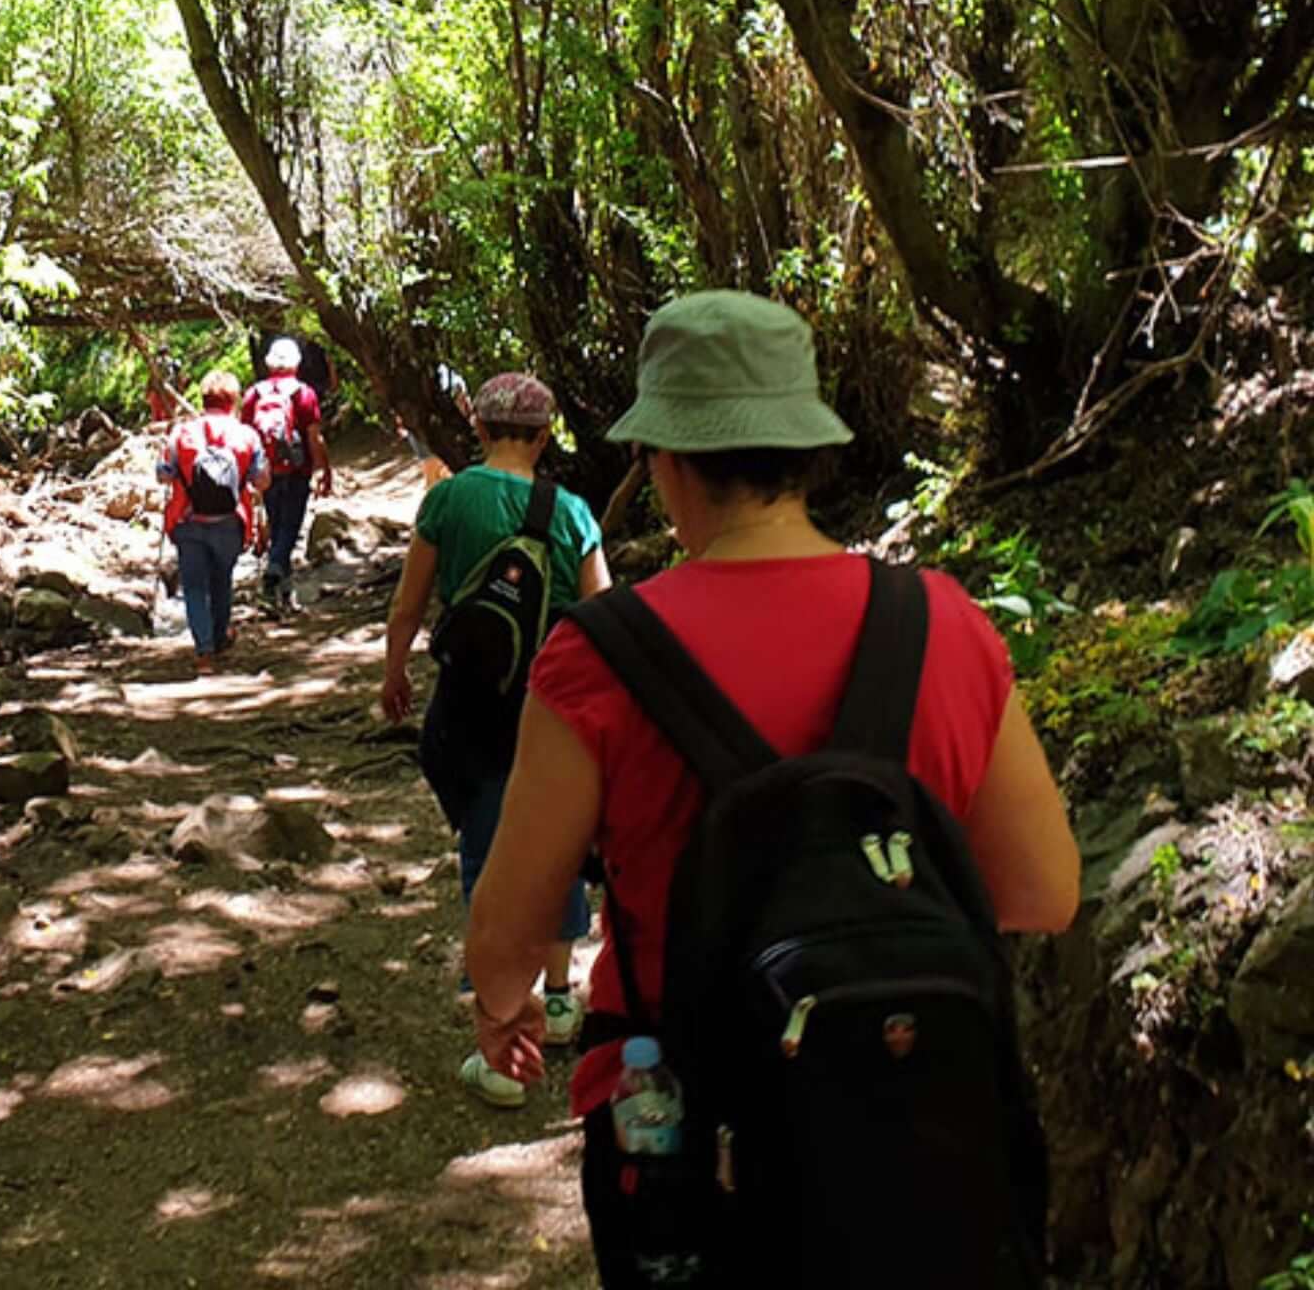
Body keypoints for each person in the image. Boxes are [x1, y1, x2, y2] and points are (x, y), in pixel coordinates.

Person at [463, 291, 1080, 1282]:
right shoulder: (943, 623)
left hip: (682, 1136)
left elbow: (508, 926)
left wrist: (505, 1005)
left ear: (662, 459)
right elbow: (1043, 891)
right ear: (806, 451)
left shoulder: (599, 656)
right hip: (909, 1105)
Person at [381, 370, 610, 1108]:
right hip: (556, 707)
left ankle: (506, 1042)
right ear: (545, 437)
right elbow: (605, 617)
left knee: (489, 844)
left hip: (471, 703)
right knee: (560, 843)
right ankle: (562, 996)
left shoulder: (447, 498)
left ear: (478, 430)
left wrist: (394, 673)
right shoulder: (572, 511)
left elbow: (409, 604)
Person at [157, 368, 269, 674]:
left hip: (188, 520)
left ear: (203, 399)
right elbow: (261, 480)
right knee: (222, 580)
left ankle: (204, 651)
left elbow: (163, 474)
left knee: (193, 587)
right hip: (231, 521)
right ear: (233, 400)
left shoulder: (180, 433)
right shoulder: (247, 435)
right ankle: (219, 637)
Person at [241, 338, 333, 605]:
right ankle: (274, 571)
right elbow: (314, 437)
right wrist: (323, 470)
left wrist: (249, 475)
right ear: (296, 364)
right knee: (289, 528)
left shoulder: (253, 394)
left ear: (269, 364)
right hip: (297, 469)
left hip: (266, 469)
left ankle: (283, 595)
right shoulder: (303, 394)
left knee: (278, 525)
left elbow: (245, 437)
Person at [397, 362, 472, 487]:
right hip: (449, 432)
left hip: (424, 432)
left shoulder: (408, 376)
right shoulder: (449, 374)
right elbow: (464, 403)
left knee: (433, 478)